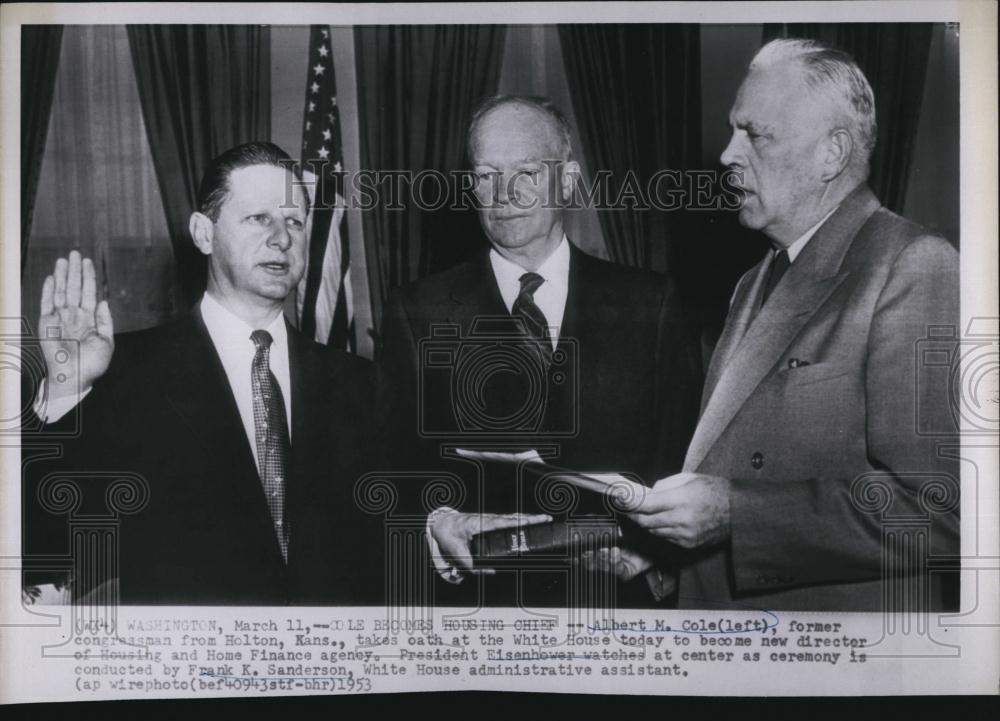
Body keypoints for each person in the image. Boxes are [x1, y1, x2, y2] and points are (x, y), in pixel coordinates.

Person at [616, 39, 960, 611]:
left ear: (832, 153)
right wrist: (661, 556)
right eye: (732, 131)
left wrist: (735, 514)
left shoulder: (912, 264)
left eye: (755, 133)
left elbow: (943, 509)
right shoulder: (754, 280)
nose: (727, 154)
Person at [23, 141, 386, 605]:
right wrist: (65, 389)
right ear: (203, 233)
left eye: (294, 221)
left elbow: (385, 548)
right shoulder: (122, 373)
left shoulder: (359, 384)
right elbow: (41, 542)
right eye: (259, 218)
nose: (282, 239)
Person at [378, 95, 701, 607]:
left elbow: (686, 454)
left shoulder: (651, 303)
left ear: (569, 180)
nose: (504, 193)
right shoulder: (417, 311)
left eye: (527, 171)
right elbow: (395, 465)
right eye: (486, 174)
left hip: (621, 605)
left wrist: (655, 551)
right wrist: (439, 521)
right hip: (484, 610)